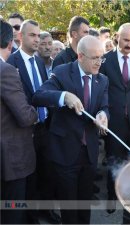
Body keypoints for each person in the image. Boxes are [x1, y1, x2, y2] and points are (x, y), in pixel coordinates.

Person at [32, 35, 109, 224]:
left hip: (89, 153)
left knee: (84, 205)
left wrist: (103, 115)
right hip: (65, 152)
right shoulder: (62, 72)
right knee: (69, 209)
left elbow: (105, 106)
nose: (99, 62)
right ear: (80, 56)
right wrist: (63, 96)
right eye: (95, 58)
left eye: (102, 57)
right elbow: (38, 96)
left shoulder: (103, 79)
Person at [99, 23, 130, 214]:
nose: (129, 44)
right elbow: (102, 90)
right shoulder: (106, 60)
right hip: (115, 119)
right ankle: (112, 195)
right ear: (117, 37)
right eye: (125, 40)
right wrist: (103, 115)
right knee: (113, 158)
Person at [0, 18, 38, 225]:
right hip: (10, 161)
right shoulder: (5, 71)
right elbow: (25, 116)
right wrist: (36, 110)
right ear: (10, 43)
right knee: (12, 214)